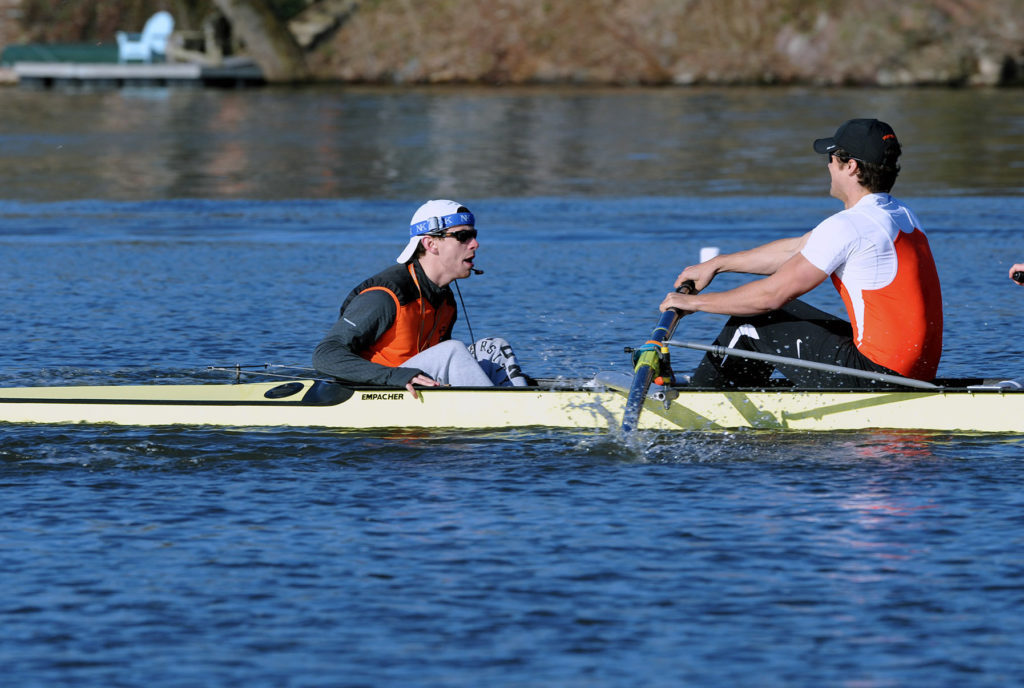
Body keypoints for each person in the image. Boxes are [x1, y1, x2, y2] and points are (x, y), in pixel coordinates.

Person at [660, 118, 943, 388]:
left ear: (852, 167)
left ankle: (705, 408)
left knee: (752, 320)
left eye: (831, 158)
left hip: (880, 375)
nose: (828, 166)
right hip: (916, 371)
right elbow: (797, 249)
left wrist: (693, 304)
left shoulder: (850, 226)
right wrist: (717, 265)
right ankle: (747, 398)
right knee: (778, 315)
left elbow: (770, 297)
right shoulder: (901, 215)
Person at [313, 199, 528, 397]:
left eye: (474, 235)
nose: (475, 244)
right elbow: (325, 354)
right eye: (463, 237)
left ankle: (525, 399)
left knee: (496, 347)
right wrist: (395, 377)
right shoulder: (385, 296)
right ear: (430, 244)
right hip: (378, 389)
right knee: (452, 351)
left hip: (416, 386)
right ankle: (502, 411)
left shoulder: (445, 299)